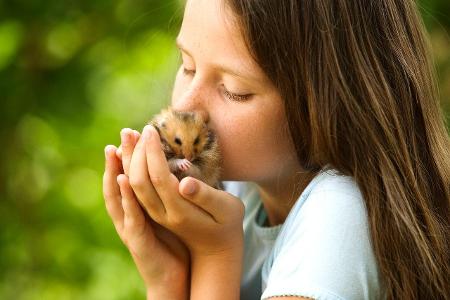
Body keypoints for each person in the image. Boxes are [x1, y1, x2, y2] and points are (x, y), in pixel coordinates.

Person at [102, 0, 450, 299]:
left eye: (235, 89)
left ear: (323, 105)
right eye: (187, 65)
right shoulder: (239, 189)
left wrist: (214, 253)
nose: (188, 106)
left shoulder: (339, 214)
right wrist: (168, 278)